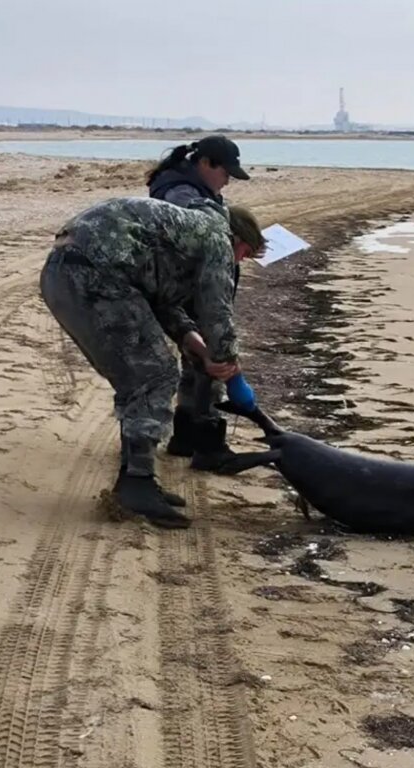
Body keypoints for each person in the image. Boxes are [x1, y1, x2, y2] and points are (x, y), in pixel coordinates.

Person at [39, 196, 265, 529]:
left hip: (63, 273)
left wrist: (194, 344)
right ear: (239, 240)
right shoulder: (217, 236)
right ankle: (137, 485)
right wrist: (227, 360)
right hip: (94, 273)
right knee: (155, 375)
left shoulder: (187, 233)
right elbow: (217, 310)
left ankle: (134, 479)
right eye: (245, 255)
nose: (238, 263)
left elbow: (160, 301)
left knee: (136, 379)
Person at [145, 135, 251, 471]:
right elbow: (200, 238)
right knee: (210, 364)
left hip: (189, 284)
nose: (227, 180)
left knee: (196, 364)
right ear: (205, 163)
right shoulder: (180, 194)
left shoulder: (196, 190)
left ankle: (186, 438)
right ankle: (207, 445)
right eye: (225, 173)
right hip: (191, 288)